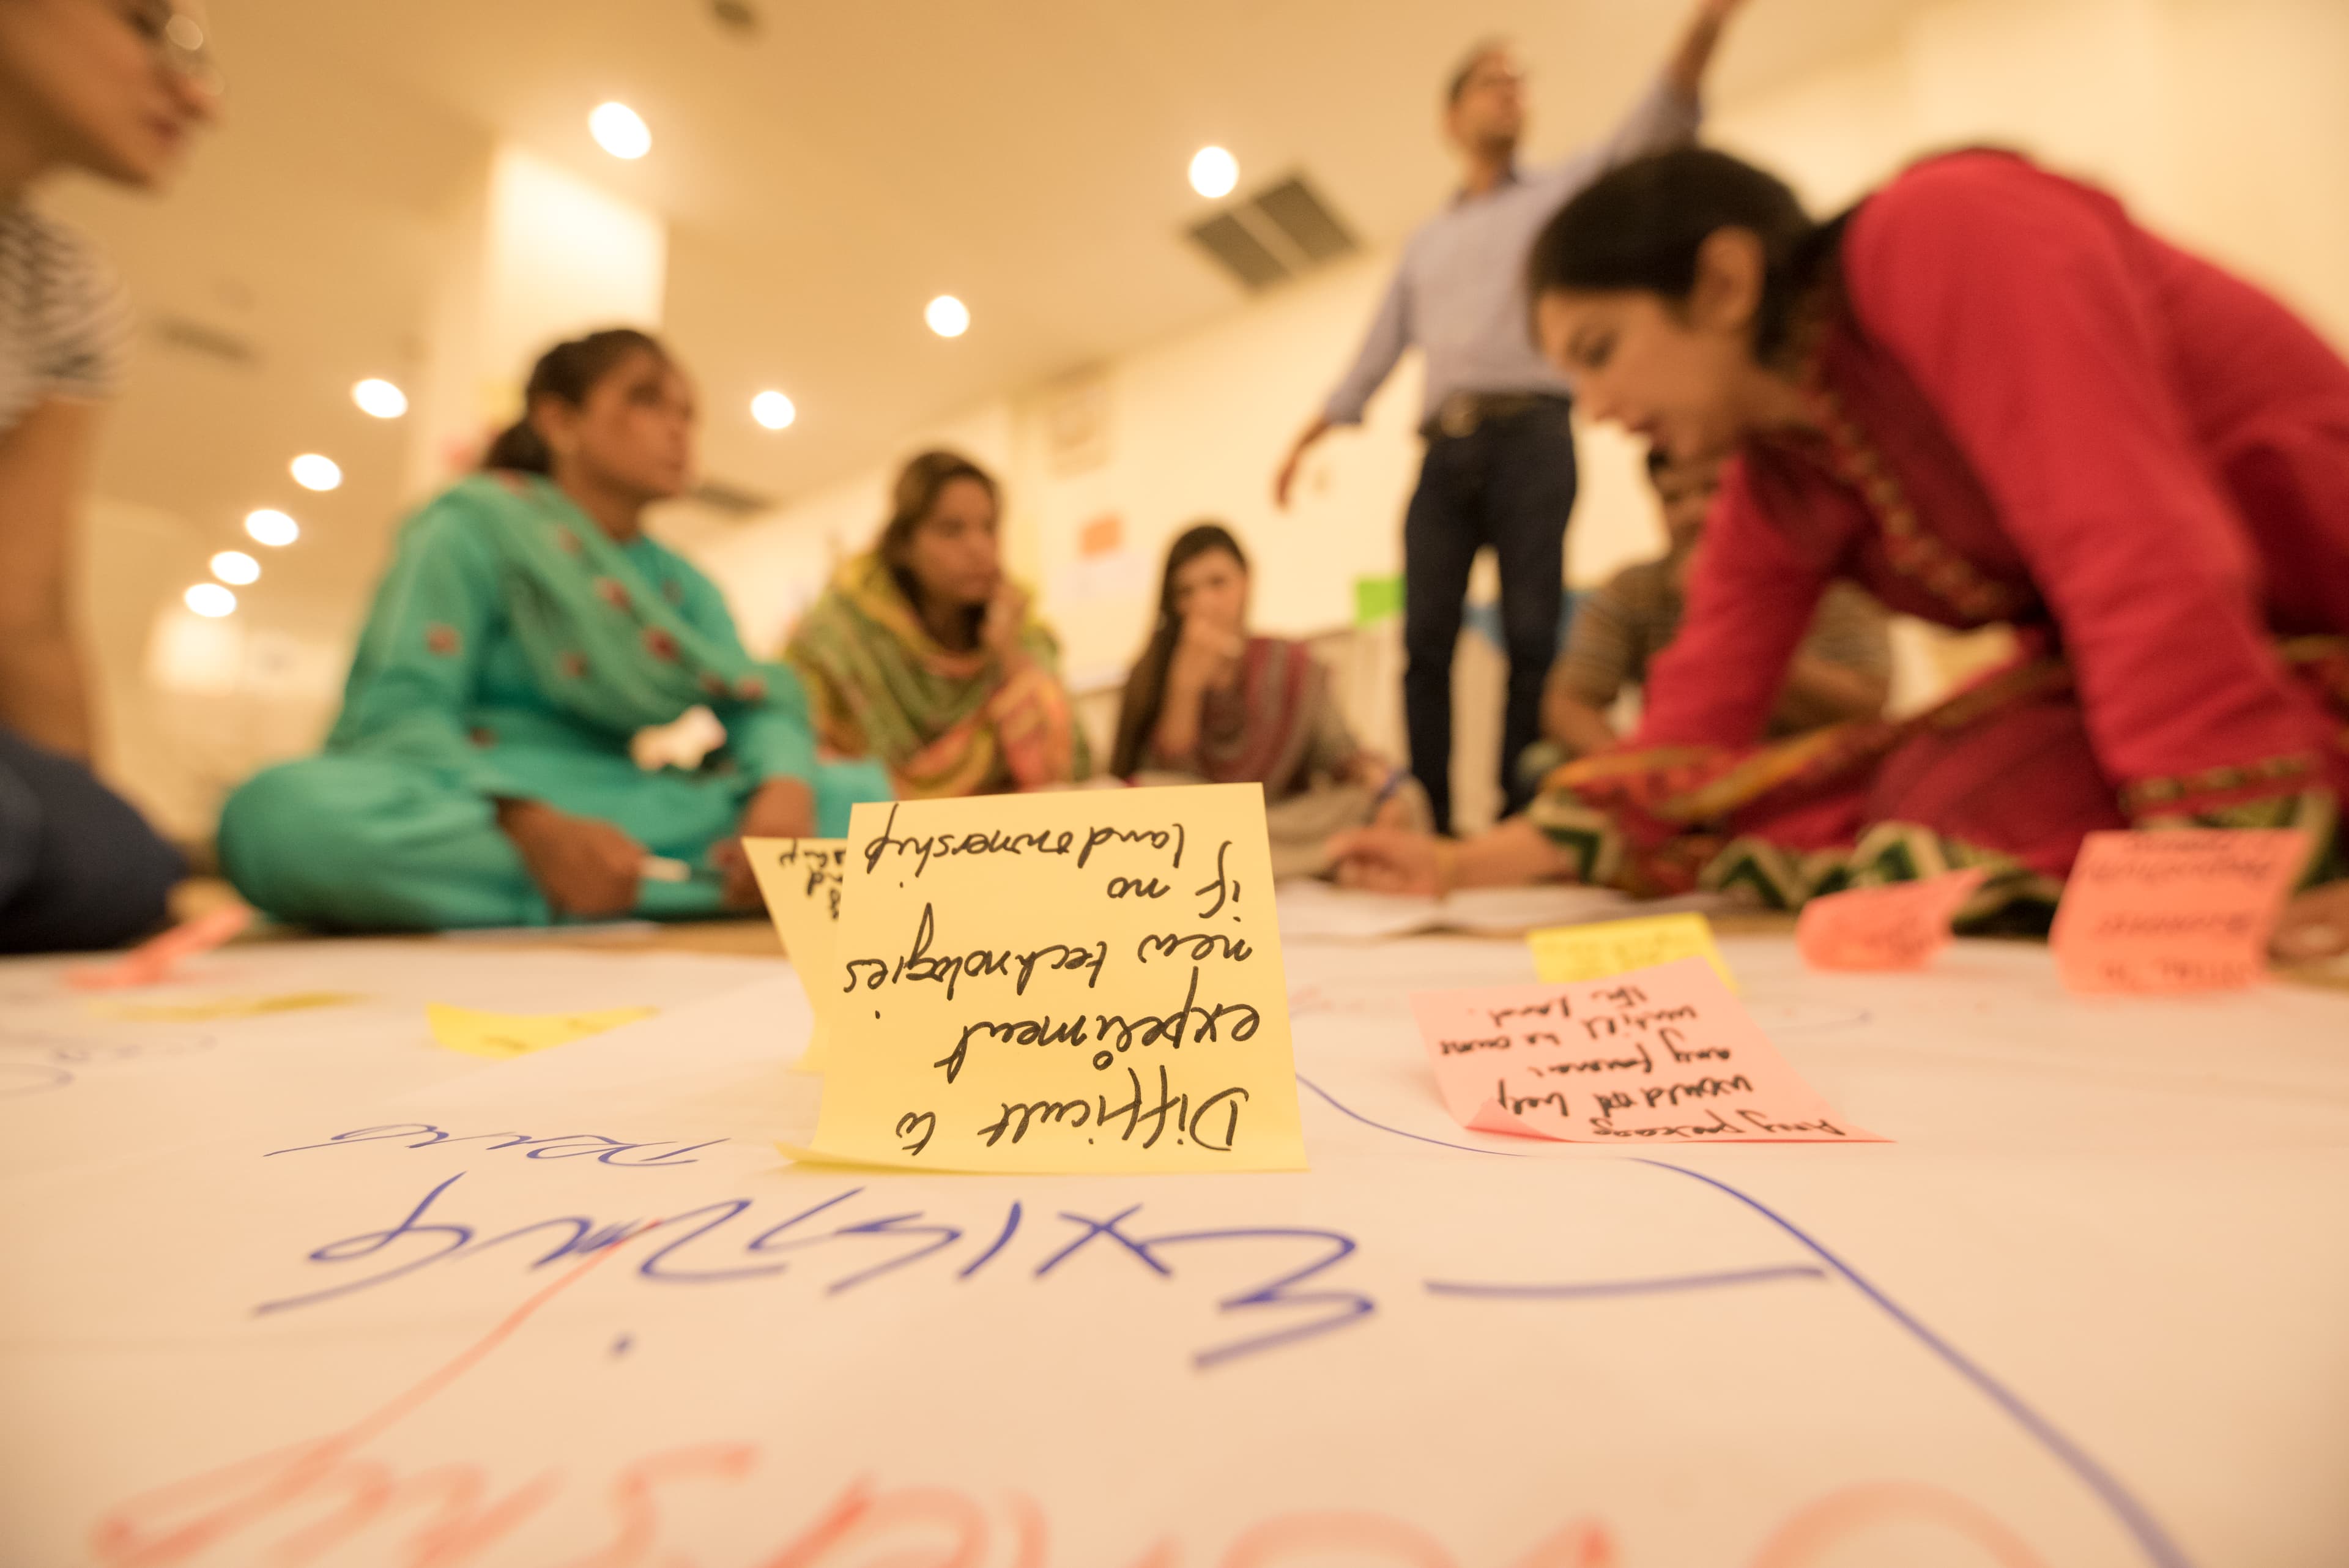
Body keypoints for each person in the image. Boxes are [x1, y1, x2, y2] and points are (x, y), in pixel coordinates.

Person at [1330, 145, 2349, 962]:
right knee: (1890, 794)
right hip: (2197, 669)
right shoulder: (1783, 471)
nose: (1593, 409)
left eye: (1599, 351)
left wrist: (2224, 861)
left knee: (1949, 801)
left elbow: (2130, 543)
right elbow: (1687, 739)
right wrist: (1461, 864)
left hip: (2296, 625)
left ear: (1724, 279)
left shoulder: (1944, 227)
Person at [219, 329, 889, 930]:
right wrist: (534, 827)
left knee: (862, 799)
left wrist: (784, 793)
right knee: (274, 816)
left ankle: (619, 883)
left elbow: (758, 698)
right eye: (647, 401)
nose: (679, 429)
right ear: (559, 419)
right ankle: (685, 887)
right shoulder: (470, 525)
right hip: (476, 802)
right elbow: (403, 711)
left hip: (622, 807)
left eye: (688, 413)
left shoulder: (683, 584)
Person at [1272, 0, 1748, 833]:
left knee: (1534, 630)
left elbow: (1648, 135)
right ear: (1450, 118)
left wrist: (1701, 35)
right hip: (1442, 450)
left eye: (1517, 82)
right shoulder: (1423, 244)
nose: (1510, 92)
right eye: (1490, 81)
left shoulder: (1562, 195)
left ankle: (1521, 814)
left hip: (1536, 435)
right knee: (1425, 639)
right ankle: (1428, 819)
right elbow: (1375, 353)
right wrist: (1307, 438)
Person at [0, 0, 218, 952]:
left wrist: (90, 850)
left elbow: (27, 611)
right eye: (144, 25)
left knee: (119, 856)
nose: (197, 96)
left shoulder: (61, 287)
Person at [1525, 446, 1890, 784]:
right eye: (1673, 499)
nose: (1693, 512)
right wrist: (1632, 772)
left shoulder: (1828, 582)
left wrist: (1740, 631)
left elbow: (1867, 706)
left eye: (1712, 489)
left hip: (1805, 777)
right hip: (1681, 777)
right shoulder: (1633, 589)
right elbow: (1569, 703)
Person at [1110, 522, 1430, 877]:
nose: (1203, 602)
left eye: (1218, 583)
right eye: (1186, 592)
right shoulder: (1155, 669)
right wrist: (1184, 688)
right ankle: (1330, 856)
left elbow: (1339, 752)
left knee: (1406, 798)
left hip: (1280, 820)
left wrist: (1380, 784)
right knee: (1144, 809)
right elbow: (1159, 786)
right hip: (1201, 824)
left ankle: (1269, 861)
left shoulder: (1291, 663)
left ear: (1246, 582)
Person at [785, 450, 1089, 798]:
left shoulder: (1023, 634)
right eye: (951, 530)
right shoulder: (844, 634)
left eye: (989, 528)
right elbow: (799, 760)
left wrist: (1010, 659)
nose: (980, 548)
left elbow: (1065, 780)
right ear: (904, 544)